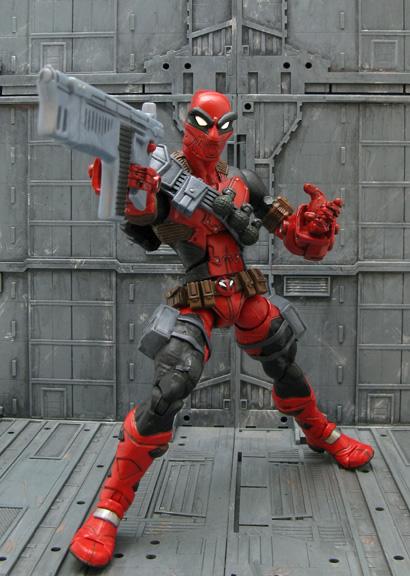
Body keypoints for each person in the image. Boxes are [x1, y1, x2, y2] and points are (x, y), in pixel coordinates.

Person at [70, 90, 374, 567]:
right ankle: (109, 508)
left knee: (285, 362)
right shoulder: (165, 179)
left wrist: (313, 227)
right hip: (200, 296)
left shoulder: (243, 182)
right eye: (202, 123)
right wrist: (128, 183)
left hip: (245, 293)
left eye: (223, 125)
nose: (213, 135)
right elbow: (143, 215)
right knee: (172, 386)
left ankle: (320, 432)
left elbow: (292, 237)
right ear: (184, 121)